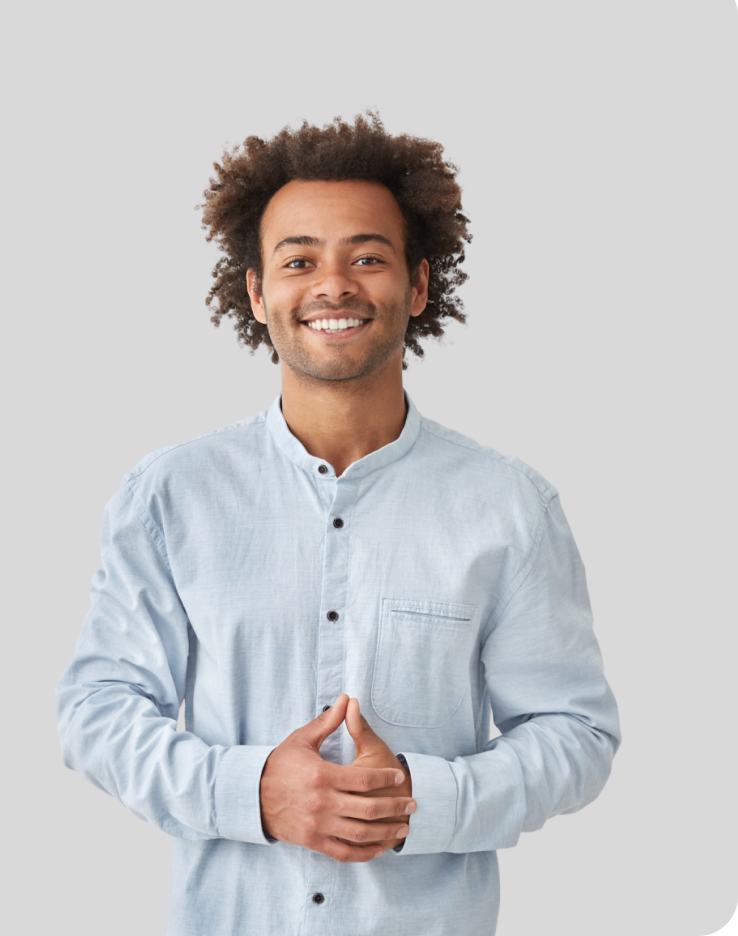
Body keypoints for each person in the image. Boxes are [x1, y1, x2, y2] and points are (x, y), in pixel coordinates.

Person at [56, 112, 620, 936]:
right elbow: (98, 709)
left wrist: (423, 802)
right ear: (256, 292)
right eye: (298, 260)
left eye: (367, 256)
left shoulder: (511, 507)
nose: (334, 285)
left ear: (418, 286)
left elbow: (576, 733)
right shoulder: (170, 495)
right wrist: (252, 792)